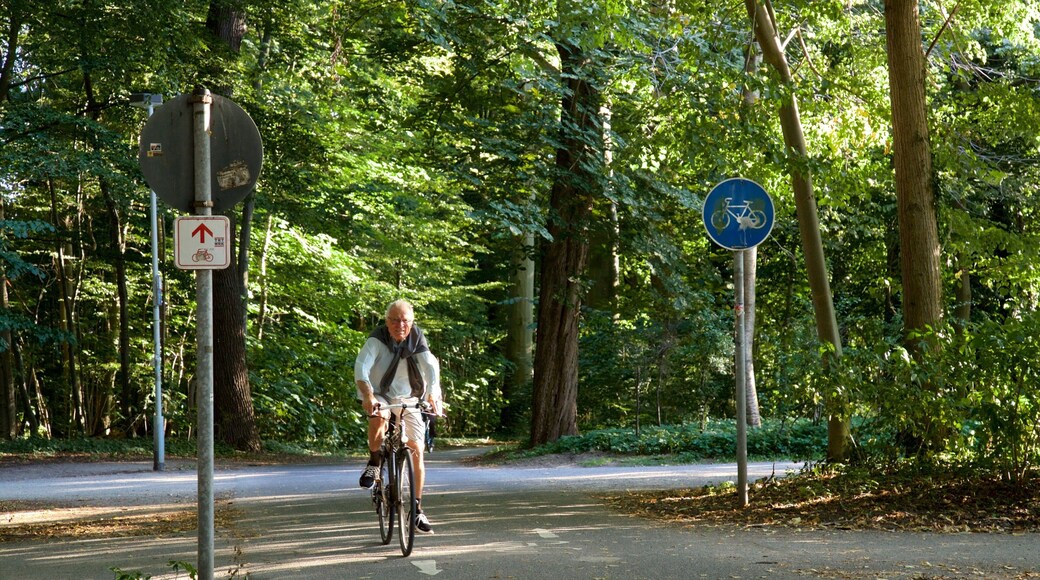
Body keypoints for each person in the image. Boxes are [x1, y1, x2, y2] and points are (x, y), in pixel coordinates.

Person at [354, 299, 442, 533]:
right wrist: (368, 396)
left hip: (410, 397)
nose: (400, 325)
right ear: (386, 321)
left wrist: (433, 395)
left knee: (416, 448)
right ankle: (374, 462)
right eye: (395, 320)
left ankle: (417, 508)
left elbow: (431, 368)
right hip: (380, 394)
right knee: (379, 417)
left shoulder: (417, 338)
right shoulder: (377, 339)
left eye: (405, 321)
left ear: (412, 322)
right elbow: (361, 368)